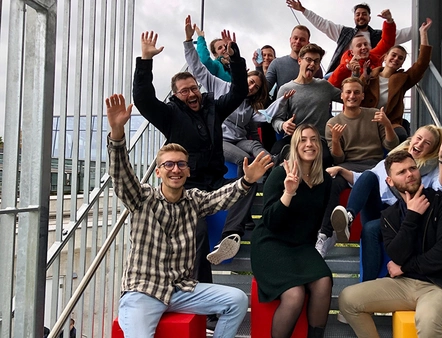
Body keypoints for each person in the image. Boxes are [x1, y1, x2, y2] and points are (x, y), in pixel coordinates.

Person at [106, 94, 273, 338]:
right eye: (169, 165)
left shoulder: (194, 200)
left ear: (188, 170)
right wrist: (117, 135)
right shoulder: (142, 198)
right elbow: (121, 174)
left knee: (236, 300)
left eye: (181, 164)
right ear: (158, 173)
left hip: (181, 290)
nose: (176, 169)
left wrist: (247, 180)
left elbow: (222, 197)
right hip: (143, 290)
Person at [132, 29, 248, 329]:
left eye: (193, 88)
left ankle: (230, 236)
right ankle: (208, 310)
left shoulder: (212, 107)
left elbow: (238, 92)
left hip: (216, 180)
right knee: (195, 235)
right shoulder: (169, 114)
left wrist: (235, 60)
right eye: (184, 91)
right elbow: (143, 99)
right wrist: (145, 61)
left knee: (250, 183)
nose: (192, 94)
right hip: (188, 187)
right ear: (176, 95)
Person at [338, 150, 442, 338]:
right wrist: (412, 216)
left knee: (427, 320)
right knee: (348, 299)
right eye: (401, 172)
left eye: (412, 168)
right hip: (405, 285)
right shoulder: (389, 216)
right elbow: (397, 255)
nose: (409, 174)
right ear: (390, 181)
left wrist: (406, 267)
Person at [329, 125, 442, 281]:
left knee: (370, 229)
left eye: (427, 143)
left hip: (405, 216)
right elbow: (362, 179)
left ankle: (369, 284)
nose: (420, 144)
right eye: (419, 138)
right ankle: (349, 216)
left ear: (432, 150)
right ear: (412, 138)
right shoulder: (392, 160)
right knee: (368, 176)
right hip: (382, 212)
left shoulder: (431, 170)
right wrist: (341, 170)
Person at [251, 124, 332, 338]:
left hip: (301, 246)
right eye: (303, 139)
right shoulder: (280, 174)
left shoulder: (325, 181)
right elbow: (270, 221)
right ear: (295, 145)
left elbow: (319, 221)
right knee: (294, 294)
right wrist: (288, 192)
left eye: (314, 139)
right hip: (271, 242)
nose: (309, 144)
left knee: (324, 281)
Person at [315, 77, 398, 257]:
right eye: (348, 92)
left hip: (375, 164)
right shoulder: (332, 123)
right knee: (332, 182)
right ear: (342, 96)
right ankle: (325, 234)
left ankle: (383, 236)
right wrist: (336, 140)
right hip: (348, 164)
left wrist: (387, 124)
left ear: (362, 96)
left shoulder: (374, 114)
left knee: (382, 181)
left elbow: (392, 146)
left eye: (356, 92)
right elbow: (339, 159)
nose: (352, 95)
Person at [184, 16, 270, 177]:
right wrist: (189, 41)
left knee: (254, 147)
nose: (251, 87)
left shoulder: (250, 105)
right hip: (220, 138)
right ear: (245, 78)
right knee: (244, 158)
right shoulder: (220, 85)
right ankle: (241, 192)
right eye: (250, 82)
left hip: (239, 140)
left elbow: (259, 123)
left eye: (256, 87)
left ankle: (275, 164)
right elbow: (198, 68)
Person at [286, 0, 412, 74]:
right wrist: (303, 10)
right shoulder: (343, 32)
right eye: (358, 14)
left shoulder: (379, 36)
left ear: (369, 18)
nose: (360, 16)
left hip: (368, 74)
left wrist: (421, 29)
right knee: (325, 81)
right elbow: (323, 24)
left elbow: (400, 35)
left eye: (364, 14)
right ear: (354, 17)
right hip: (344, 71)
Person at [361, 18, 433, 142]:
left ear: (402, 64)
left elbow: (422, 64)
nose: (396, 59)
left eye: (400, 58)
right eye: (393, 55)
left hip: (390, 122)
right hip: (366, 121)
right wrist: (363, 77)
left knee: (401, 135)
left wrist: (423, 33)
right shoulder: (370, 75)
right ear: (385, 57)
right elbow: (355, 92)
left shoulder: (403, 80)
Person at [270, 43, 341, 168]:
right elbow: (276, 120)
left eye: (316, 61)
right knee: (276, 152)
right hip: (294, 139)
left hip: (319, 140)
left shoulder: (325, 86)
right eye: (308, 59)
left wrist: (356, 75)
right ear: (299, 60)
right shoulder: (285, 89)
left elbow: (348, 97)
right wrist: (284, 125)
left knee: (325, 159)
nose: (312, 64)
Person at [327, 9, 396, 88]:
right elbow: (330, 86)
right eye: (359, 45)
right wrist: (347, 68)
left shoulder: (374, 55)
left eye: (366, 44)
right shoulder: (347, 62)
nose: (363, 47)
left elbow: (387, 42)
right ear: (352, 51)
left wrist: (389, 21)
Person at [265, 25, 323, 98]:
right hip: (283, 107)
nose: (298, 42)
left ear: (308, 43)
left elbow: (321, 92)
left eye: (302, 40)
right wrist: (258, 67)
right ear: (290, 39)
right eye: (295, 38)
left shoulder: (314, 67)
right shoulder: (277, 63)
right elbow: (265, 89)